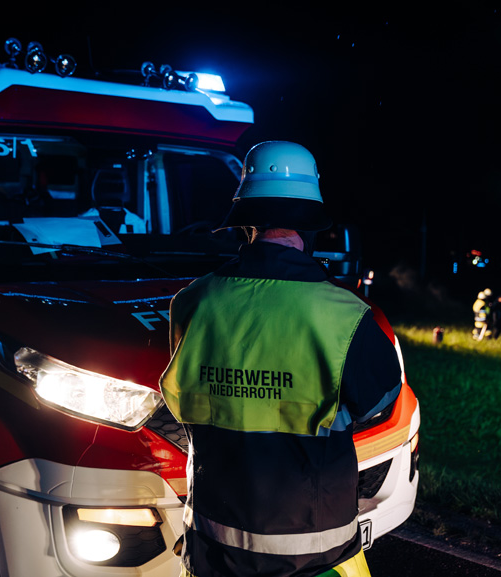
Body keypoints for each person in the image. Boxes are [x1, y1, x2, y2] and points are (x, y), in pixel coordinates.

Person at [159, 141, 402, 577]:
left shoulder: (192, 303)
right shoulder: (345, 315)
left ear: (246, 221)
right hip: (314, 553)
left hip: (214, 546)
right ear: (310, 225)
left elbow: (179, 402)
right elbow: (380, 401)